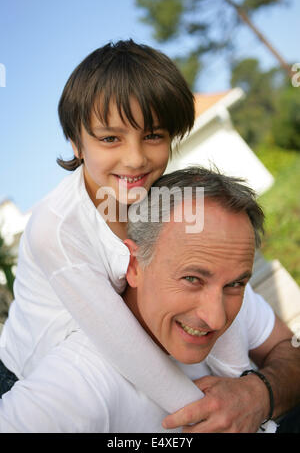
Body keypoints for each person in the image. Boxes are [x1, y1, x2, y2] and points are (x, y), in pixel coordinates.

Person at [0, 167, 299, 433]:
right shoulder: (84, 377)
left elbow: (291, 350)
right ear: (133, 265)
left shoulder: (225, 289)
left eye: (236, 283)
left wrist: (260, 394)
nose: (217, 318)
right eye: (192, 279)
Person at [0, 39, 202, 412]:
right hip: (26, 377)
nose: (136, 158)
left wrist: (244, 382)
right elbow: (126, 349)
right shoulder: (57, 228)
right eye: (110, 138)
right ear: (78, 143)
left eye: (153, 135)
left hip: (105, 362)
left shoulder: (158, 201)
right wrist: (212, 414)